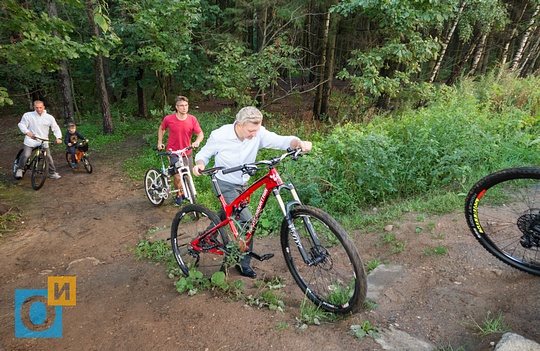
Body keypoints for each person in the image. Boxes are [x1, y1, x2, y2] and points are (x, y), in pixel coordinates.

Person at [193, 106, 312, 278]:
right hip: (224, 183)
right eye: (250, 131)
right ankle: (244, 264)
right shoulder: (220, 135)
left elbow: (282, 141)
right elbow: (204, 154)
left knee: (229, 213)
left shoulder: (259, 133)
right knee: (248, 222)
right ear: (239, 125)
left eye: (256, 130)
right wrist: (200, 164)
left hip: (243, 184)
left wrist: (298, 143)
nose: (254, 135)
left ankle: (206, 236)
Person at [157, 95, 204, 206]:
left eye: (186, 105)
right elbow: (162, 128)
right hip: (173, 152)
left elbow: (200, 133)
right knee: (178, 176)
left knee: (187, 174)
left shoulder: (192, 119)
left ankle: (185, 193)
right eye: (181, 106)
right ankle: (178, 194)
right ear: (176, 107)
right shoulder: (169, 119)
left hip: (186, 151)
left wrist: (197, 141)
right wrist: (160, 142)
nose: (184, 108)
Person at [15, 100, 63, 180]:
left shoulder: (49, 117)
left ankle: (52, 172)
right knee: (26, 154)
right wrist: (27, 132)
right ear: (34, 107)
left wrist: (58, 137)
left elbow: (55, 128)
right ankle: (20, 169)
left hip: (43, 140)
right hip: (30, 139)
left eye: (40, 107)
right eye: (37, 108)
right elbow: (21, 124)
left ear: (44, 107)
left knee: (48, 156)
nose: (39, 109)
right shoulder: (28, 115)